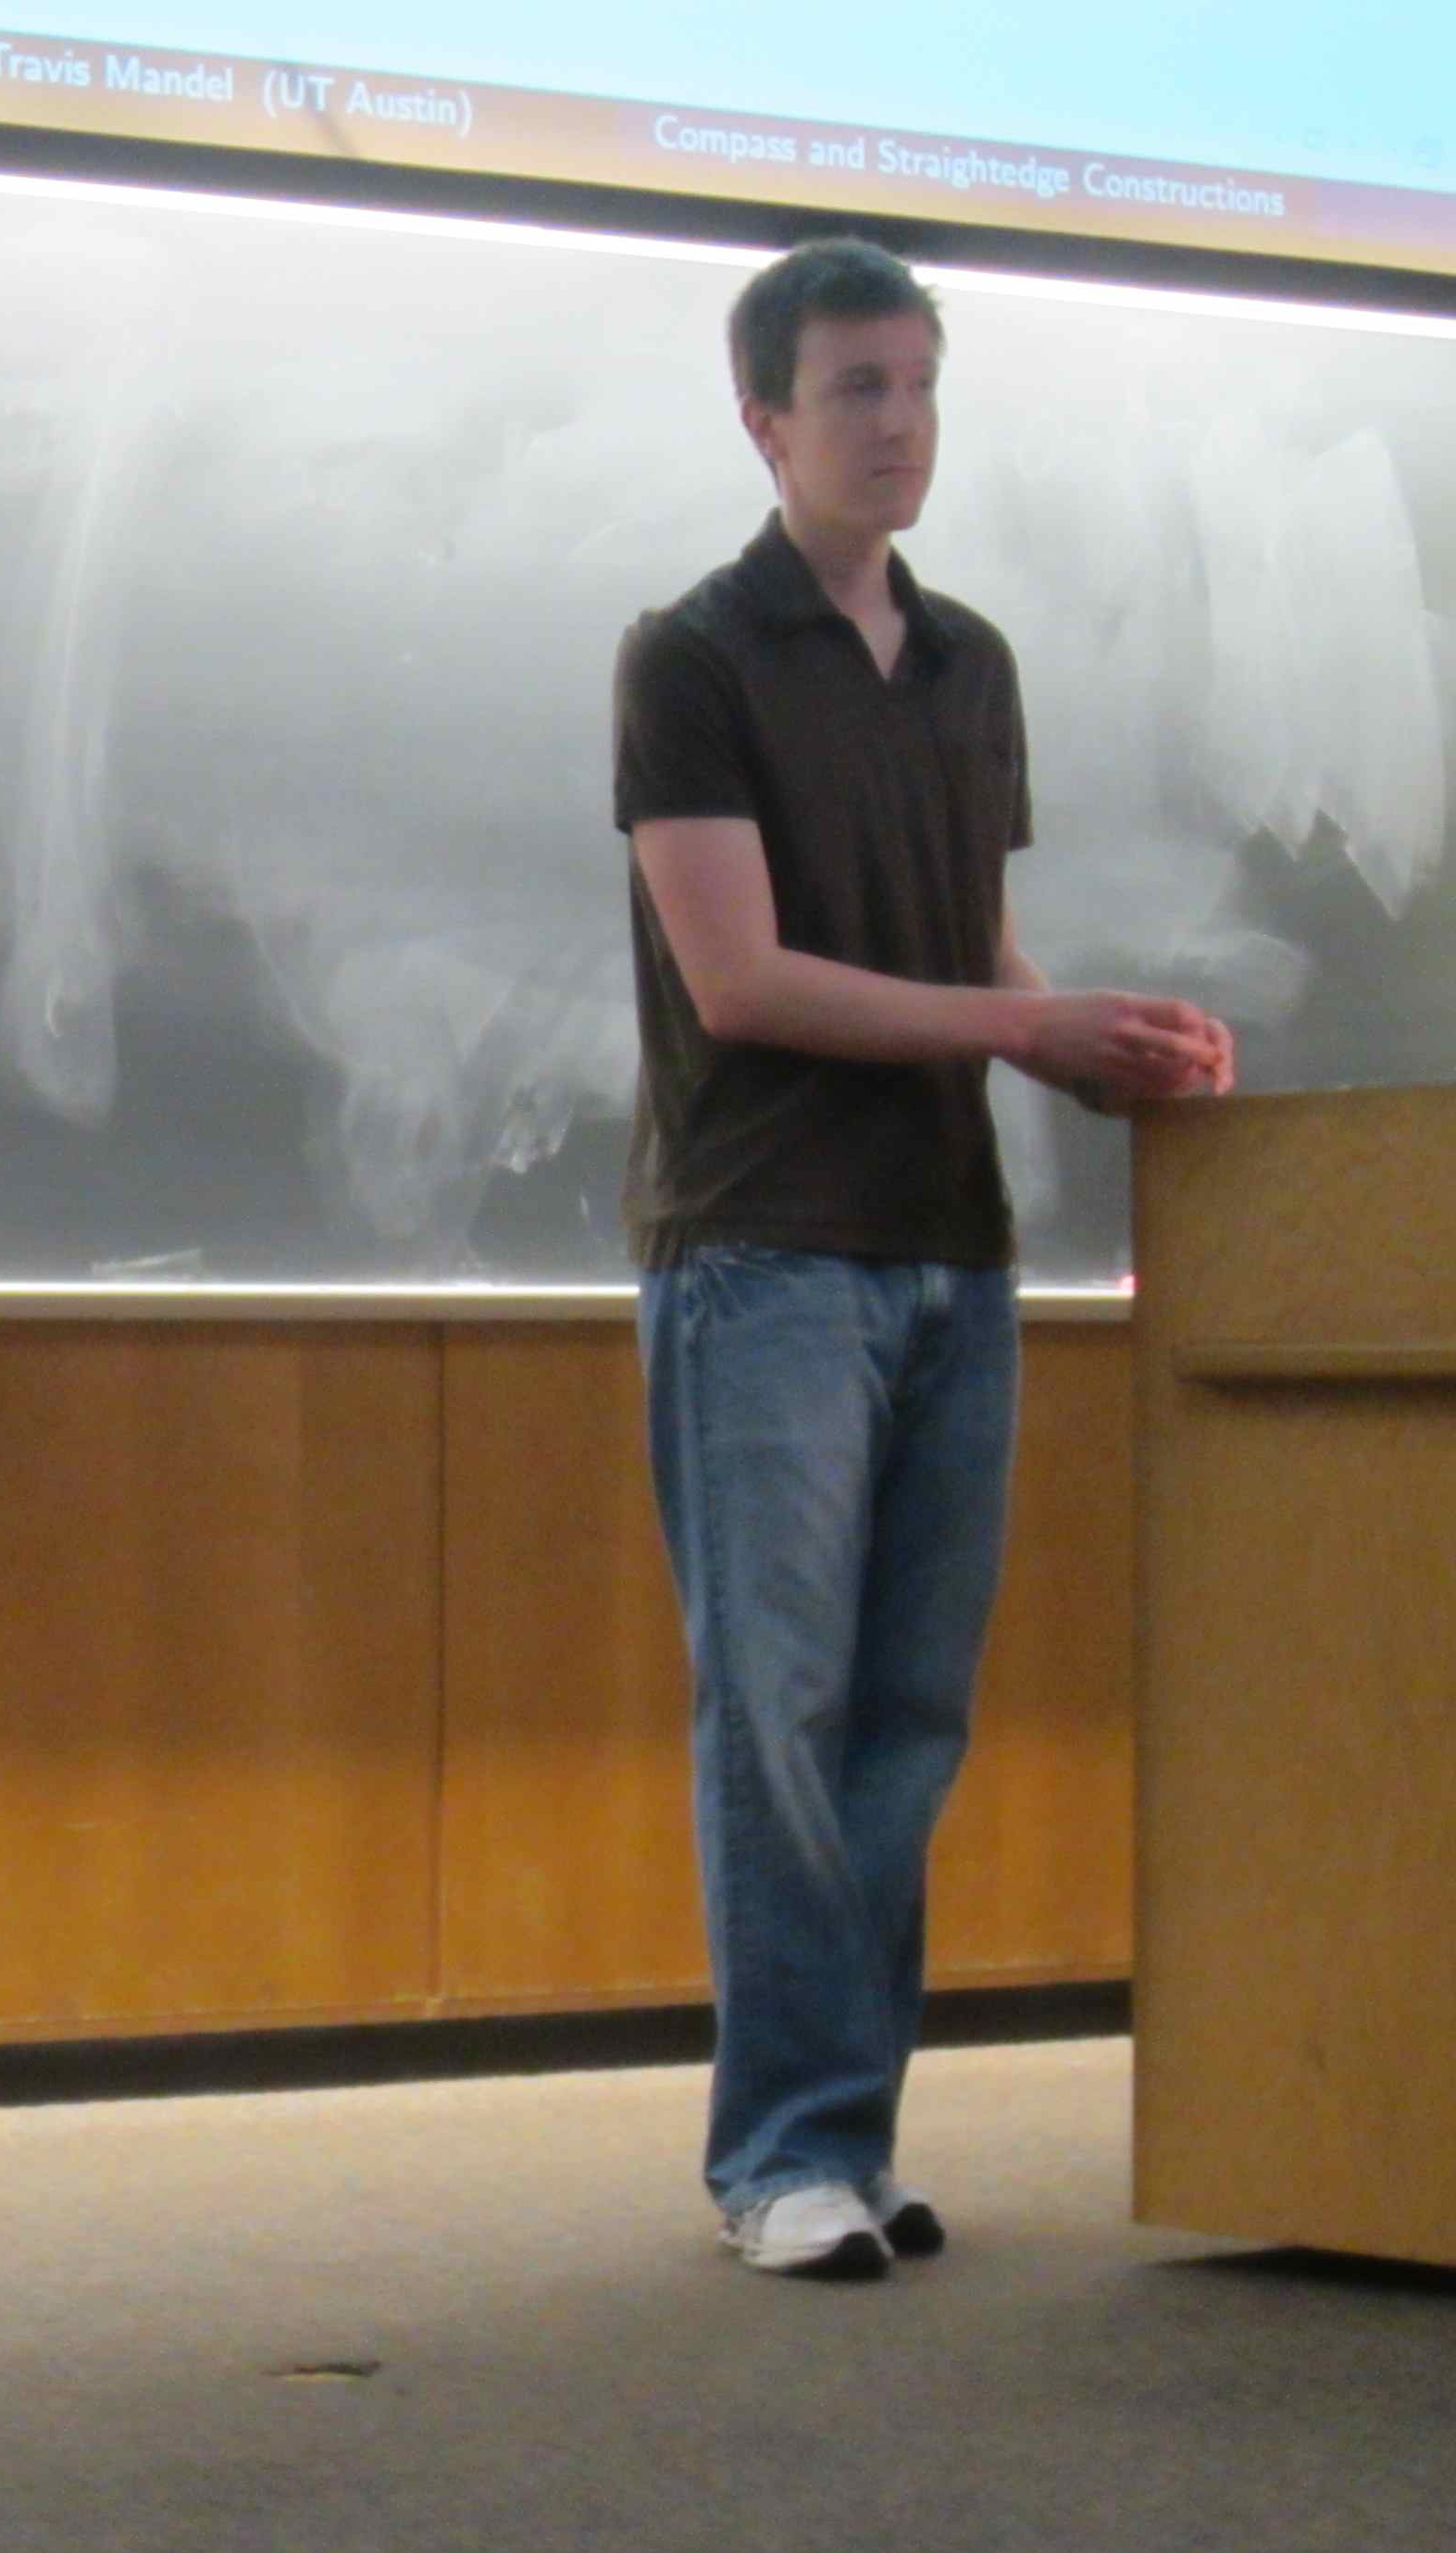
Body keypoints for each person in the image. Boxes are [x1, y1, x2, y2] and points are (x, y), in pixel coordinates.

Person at [611, 237, 1233, 2280]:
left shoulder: (971, 663)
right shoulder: (690, 655)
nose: (897, 426)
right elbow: (743, 979)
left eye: (918, 384)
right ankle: (778, 2156)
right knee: (776, 1715)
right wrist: (1022, 1029)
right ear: (763, 420)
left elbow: (971, 948)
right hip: (763, 1252)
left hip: (950, 1252)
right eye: (854, 390)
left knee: (903, 1722)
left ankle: (846, 2144)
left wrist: (1102, 1054)